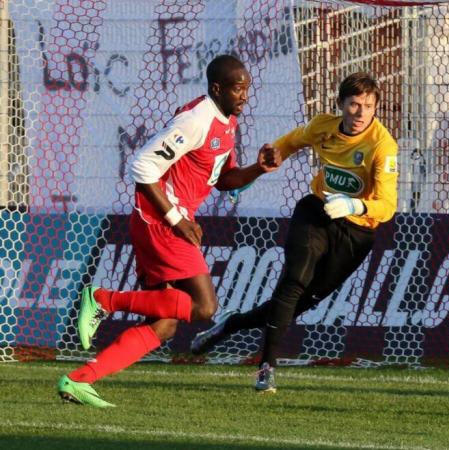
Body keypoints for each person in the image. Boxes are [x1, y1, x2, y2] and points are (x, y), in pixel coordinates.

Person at [57, 55, 281, 407]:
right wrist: (178, 219)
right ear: (217, 88)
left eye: (247, 89)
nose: (244, 96)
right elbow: (142, 166)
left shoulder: (226, 122)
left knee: (164, 325)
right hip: (159, 221)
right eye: (238, 88)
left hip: (164, 220)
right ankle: (103, 299)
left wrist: (258, 169)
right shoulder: (196, 120)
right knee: (204, 306)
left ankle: (78, 380)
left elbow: (223, 180)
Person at [190, 72, 399, 393]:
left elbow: (387, 206)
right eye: (354, 104)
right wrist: (269, 160)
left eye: (368, 106)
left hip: (356, 234)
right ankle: (266, 368)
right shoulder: (323, 126)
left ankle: (230, 325)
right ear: (341, 104)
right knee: (294, 280)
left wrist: (355, 207)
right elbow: (289, 142)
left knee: (294, 303)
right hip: (316, 212)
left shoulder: (383, 146)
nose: (360, 113)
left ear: (376, 108)